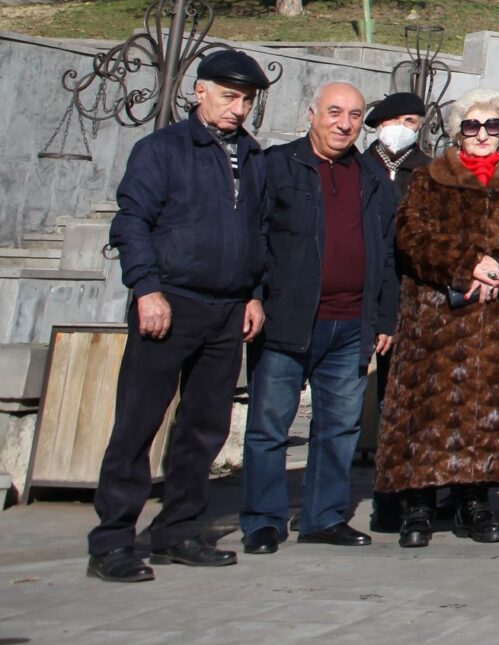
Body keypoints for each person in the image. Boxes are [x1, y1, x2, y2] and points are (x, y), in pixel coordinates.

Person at [87, 49, 273, 583]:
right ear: (200, 92)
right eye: (229, 96)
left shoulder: (253, 158)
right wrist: (146, 289)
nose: (237, 109)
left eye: (246, 100)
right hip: (169, 303)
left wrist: (254, 294)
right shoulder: (162, 150)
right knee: (138, 423)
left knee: (204, 429)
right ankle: (113, 541)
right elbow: (132, 223)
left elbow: (259, 234)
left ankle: (178, 531)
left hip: (226, 310)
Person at [375, 88, 499, 548]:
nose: (481, 134)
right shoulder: (431, 176)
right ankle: (419, 502)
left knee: (487, 411)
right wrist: (467, 263)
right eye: (471, 126)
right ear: (457, 131)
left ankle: (474, 498)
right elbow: (412, 234)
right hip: (437, 317)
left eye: (491, 126)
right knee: (430, 409)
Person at [241, 81, 400, 554]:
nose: (343, 123)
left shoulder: (371, 178)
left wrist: (385, 319)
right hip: (288, 321)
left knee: (340, 428)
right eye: (334, 112)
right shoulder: (277, 166)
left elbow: (387, 254)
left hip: (352, 324)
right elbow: (255, 237)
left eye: (353, 115)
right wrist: (251, 296)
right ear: (312, 113)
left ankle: (324, 516)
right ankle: (264, 520)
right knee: (270, 426)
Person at [358, 91, 428, 536]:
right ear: (381, 121)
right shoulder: (356, 165)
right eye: (403, 119)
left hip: (407, 296)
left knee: (402, 403)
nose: (408, 128)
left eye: (416, 122)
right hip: (359, 293)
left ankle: (402, 498)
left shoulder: (426, 170)